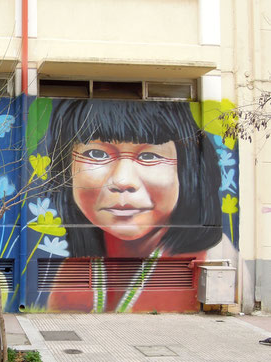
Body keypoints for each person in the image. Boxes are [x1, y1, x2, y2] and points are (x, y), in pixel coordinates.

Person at [47, 99, 222, 312]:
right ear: (66, 170)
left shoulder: (213, 258)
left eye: (149, 156)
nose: (122, 181)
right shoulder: (73, 269)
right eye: (97, 154)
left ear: (187, 171)